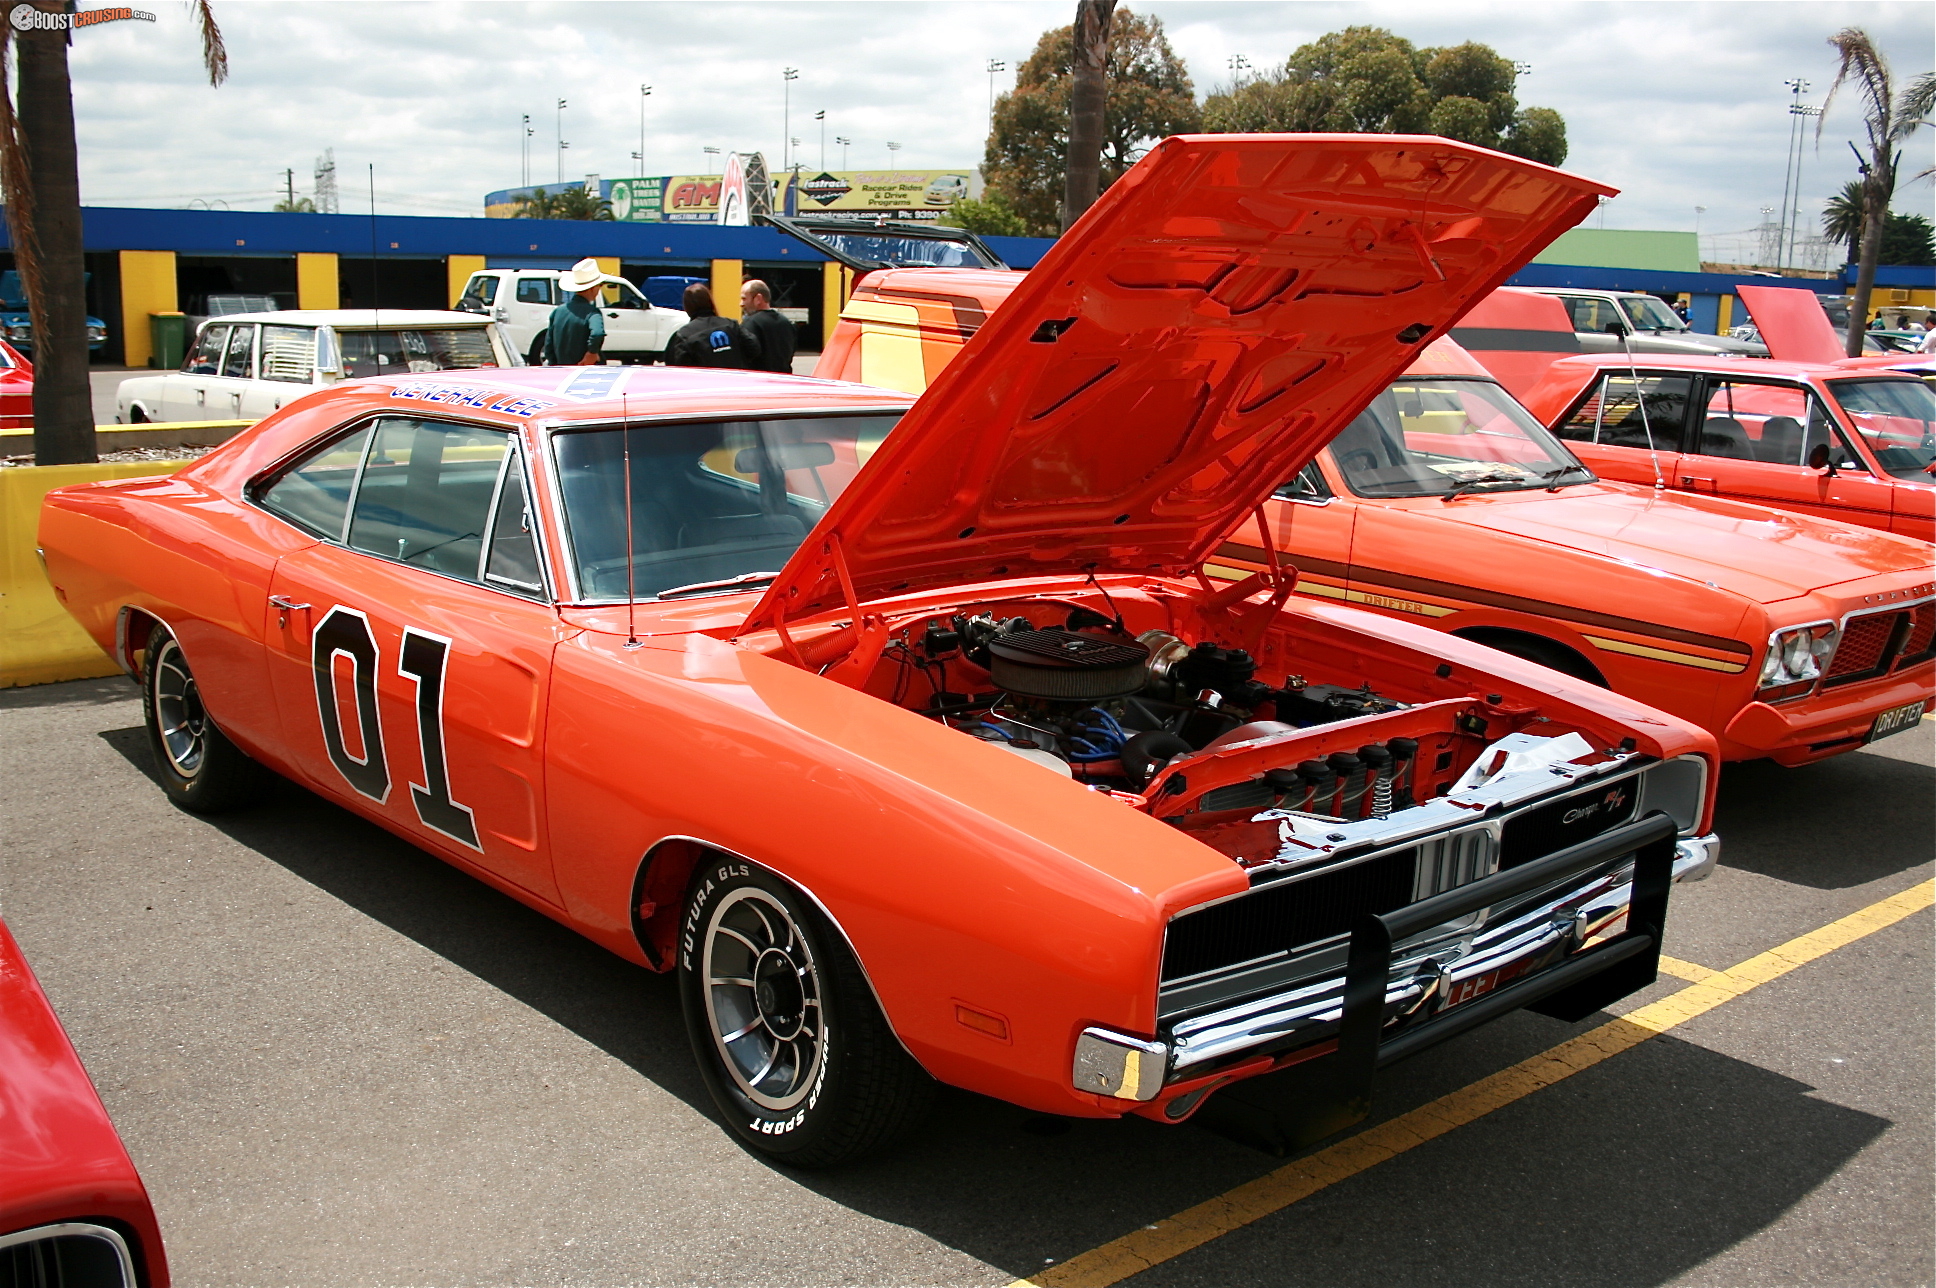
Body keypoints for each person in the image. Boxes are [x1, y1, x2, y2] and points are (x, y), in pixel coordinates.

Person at [665, 282, 761, 368]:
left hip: (706, 385)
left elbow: (678, 367)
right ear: (710, 301)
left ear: (687, 307)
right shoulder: (731, 325)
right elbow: (754, 348)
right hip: (735, 382)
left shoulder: (684, 335)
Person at [544, 258, 609, 365]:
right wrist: (592, 353)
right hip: (586, 372)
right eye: (600, 285)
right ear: (592, 288)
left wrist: (555, 366)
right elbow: (597, 333)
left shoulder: (558, 312)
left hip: (562, 371)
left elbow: (548, 347)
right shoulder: (592, 312)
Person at [738, 278, 796, 374]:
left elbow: (744, 355)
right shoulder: (786, 323)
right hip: (784, 380)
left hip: (759, 381)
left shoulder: (750, 323)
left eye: (744, 298)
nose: (741, 304)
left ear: (758, 299)